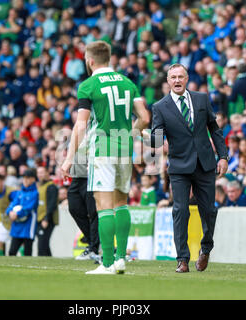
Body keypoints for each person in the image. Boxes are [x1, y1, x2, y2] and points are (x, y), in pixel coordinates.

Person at [61, 41, 149, 275]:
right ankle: (121, 259)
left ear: (90, 61)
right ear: (108, 59)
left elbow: (81, 125)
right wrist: (131, 133)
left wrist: (69, 158)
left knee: (103, 206)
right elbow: (144, 118)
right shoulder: (128, 82)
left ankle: (108, 263)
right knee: (121, 203)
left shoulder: (88, 85)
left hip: (102, 149)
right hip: (124, 148)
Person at [147, 63, 228, 273]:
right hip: (179, 166)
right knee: (180, 211)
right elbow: (156, 136)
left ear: (186, 78)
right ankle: (182, 259)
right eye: (173, 77)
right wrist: (153, 142)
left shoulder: (201, 98)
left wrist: (224, 157)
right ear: (167, 81)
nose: (176, 80)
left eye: (180, 76)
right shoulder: (159, 107)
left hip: (205, 164)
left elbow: (214, 129)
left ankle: (206, 248)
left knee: (209, 211)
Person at [67, 128, 100, 261]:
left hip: (90, 177)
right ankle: (92, 239)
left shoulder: (96, 133)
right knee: (74, 208)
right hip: (76, 177)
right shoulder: (77, 134)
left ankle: (93, 247)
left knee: (93, 213)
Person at [6, 169, 39, 256]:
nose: (25, 180)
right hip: (17, 225)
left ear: (33, 179)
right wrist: (10, 212)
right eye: (24, 178)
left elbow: (28, 208)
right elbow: (12, 204)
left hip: (28, 225)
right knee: (12, 252)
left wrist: (17, 214)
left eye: (28, 178)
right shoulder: (19, 193)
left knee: (27, 252)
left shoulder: (35, 193)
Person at [0, 174, 18, 256]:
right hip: (5, 221)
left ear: (2, 182)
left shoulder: (12, 192)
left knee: (20, 243)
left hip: (16, 221)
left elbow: (19, 203)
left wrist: (13, 211)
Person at [36, 166, 58, 256]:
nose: (40, 175)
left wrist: (46, 219)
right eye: (38, 173)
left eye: (42, 172)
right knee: (44, 244)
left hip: (47, 219)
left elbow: (52, 204)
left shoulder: (51, 186)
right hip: (40, 218)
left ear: (47, 173)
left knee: (42, 244)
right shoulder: (40, 186)